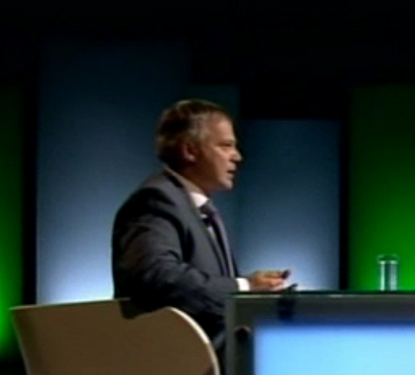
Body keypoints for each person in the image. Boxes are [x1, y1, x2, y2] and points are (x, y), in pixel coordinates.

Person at [112, 99, 289, 348]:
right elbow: (156, 277)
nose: (237, 157)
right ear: (190, 150)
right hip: (175, 362)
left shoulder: (196, 206)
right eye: (226, 146)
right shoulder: (156, 200)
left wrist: (256, 289)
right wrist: (243, 287)